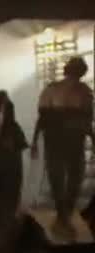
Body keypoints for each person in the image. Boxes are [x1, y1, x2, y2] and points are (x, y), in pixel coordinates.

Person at [32, 57, 93, 239]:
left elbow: (43, 117)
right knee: (67, 177)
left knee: (65, 176)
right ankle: (63, 215)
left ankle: (64, 215)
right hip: (65, 139)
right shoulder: (80, 91)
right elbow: (87, 120)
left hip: (62, 139)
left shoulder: (58, 90)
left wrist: (35, 141)